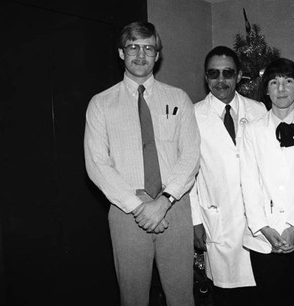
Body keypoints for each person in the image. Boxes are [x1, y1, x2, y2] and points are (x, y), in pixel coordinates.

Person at [84, 21, 200, 306]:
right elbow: (97, 164)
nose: (140, 54)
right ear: (121, 53)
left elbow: (191, 155)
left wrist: (163, 202)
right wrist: (139, 207)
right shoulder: (101, 103)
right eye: (133, 47)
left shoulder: (178, 98)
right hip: (126, 211)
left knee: (182, 296)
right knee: (133, 297)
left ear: (157, 55)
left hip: (174, 208)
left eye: (148, 48)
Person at [240, 58, 294, 306]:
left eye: (288, 81)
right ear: (266, 88)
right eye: (274, 82)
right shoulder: (252, 130)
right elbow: (249, 182)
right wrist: (264, 228)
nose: (281, 89)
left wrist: (293, 228)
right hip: (264, 239)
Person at [189, 46, 266, 306]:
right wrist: (195, 221)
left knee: (260, 291)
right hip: (218, 219)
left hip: (257, 220)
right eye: (213, 73)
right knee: (225, 295)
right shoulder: (193, 115)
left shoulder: (258, 111)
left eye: (227, 73)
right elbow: (187, 175)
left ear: (240, 75)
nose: (220, 80)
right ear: (205, 77)